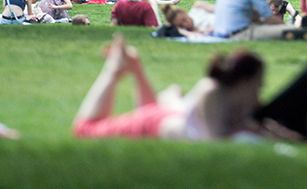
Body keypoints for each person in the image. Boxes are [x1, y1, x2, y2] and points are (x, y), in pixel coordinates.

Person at [73, 34, 264, 140]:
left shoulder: (239, 99)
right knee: (84, 130)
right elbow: (212, 140)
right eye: (258, 82)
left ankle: (134, 64)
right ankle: (113, 68)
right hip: (152, 124)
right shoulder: (211, 89)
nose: (261, 87)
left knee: (150, 109)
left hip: (163, 117)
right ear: (246, 81)